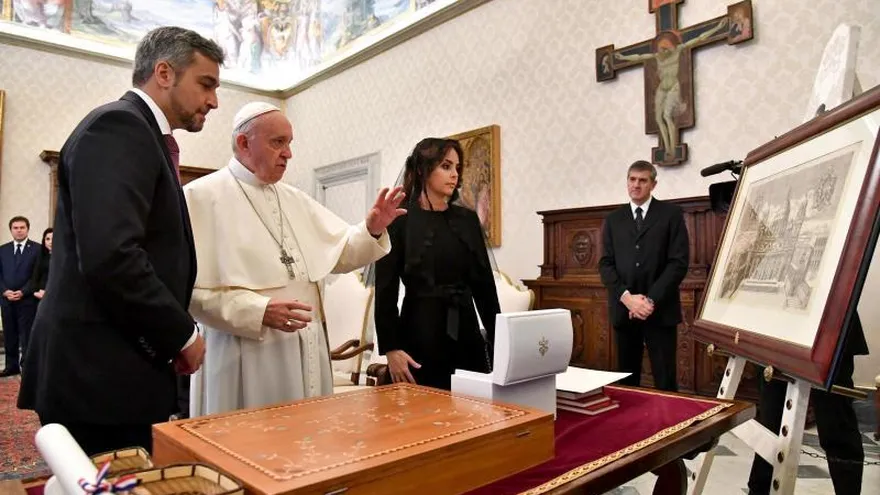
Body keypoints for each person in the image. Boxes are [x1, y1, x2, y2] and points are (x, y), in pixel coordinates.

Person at [18, 26, 224, 456]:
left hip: (113, 371)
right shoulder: (119, 127)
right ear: (164, 72)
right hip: (96, 377)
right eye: (206, 84)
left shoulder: (143, 134)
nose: (214, 101)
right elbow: (113, 256)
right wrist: (182, 336)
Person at [185, 102, 405, 417]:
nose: (288, 153)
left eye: (290, 143)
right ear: (244, 143)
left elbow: (340, 252)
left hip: (307, 347)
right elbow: (189, 291)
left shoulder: (293, 198)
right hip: (247, 351)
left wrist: (371, 229)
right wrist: (257, 311)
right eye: (278, 142)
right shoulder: (199, 198)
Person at [373, 138, 500, 390]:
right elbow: (385, 290)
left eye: (457, 167)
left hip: (466, 334)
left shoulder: (467, 220)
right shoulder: (399, 221)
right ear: (422, 169)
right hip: (419, 336)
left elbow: (484, 289)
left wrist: (502, 344)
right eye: (445, 166)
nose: (454, 174)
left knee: (472, 417)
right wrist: (391, 348)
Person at [747, 312, 868, 495]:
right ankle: (759, 490)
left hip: (830, 322)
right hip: (774, 324)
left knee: (836, 425)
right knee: (771, 423)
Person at [598, 160, 689, 391]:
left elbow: (678, 263)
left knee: (665, 379)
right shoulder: (613, 220)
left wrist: (649, 301)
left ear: (653, 184)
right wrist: (627, 298)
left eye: (642, 180)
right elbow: (606, 265)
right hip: (624, 311)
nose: (636, 185)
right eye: (632, 179)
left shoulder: (671, 215)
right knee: (627, 381)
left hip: (659, 310)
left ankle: (670, 425)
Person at [615, 19, 727, 159]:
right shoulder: (657, 57)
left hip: (673, 87)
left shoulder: (678, 51)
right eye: (661, 48)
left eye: (666, 47)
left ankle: (671, 149)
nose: (664, 50)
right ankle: (667, 148)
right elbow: (638, 57)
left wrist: (717, 27)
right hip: (662, 89)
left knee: (667, 116)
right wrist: (622, 57)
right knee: (658, 118)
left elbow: (699, 38)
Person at [0, 216, 40, 377]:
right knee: (10, 334)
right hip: (6, 299)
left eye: (22, 227)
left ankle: (27, 368)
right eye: (15, 227)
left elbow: (37, 276)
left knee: (27, 335)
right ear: (11, 230)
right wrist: (4, 291)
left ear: (27, 229)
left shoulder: (37, 249)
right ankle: (11, 366)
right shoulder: (2, 250)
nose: (19, 230)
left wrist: (23, 291)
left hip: (27, 300)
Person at [24, 228, 53, 304]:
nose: (51, 242)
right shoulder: (41, 255)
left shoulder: (65, 257)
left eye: (54, 238)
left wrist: (49, 293)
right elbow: (35, 276)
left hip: (56, 296)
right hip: (39, 295)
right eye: (47, 239)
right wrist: (34, 292)